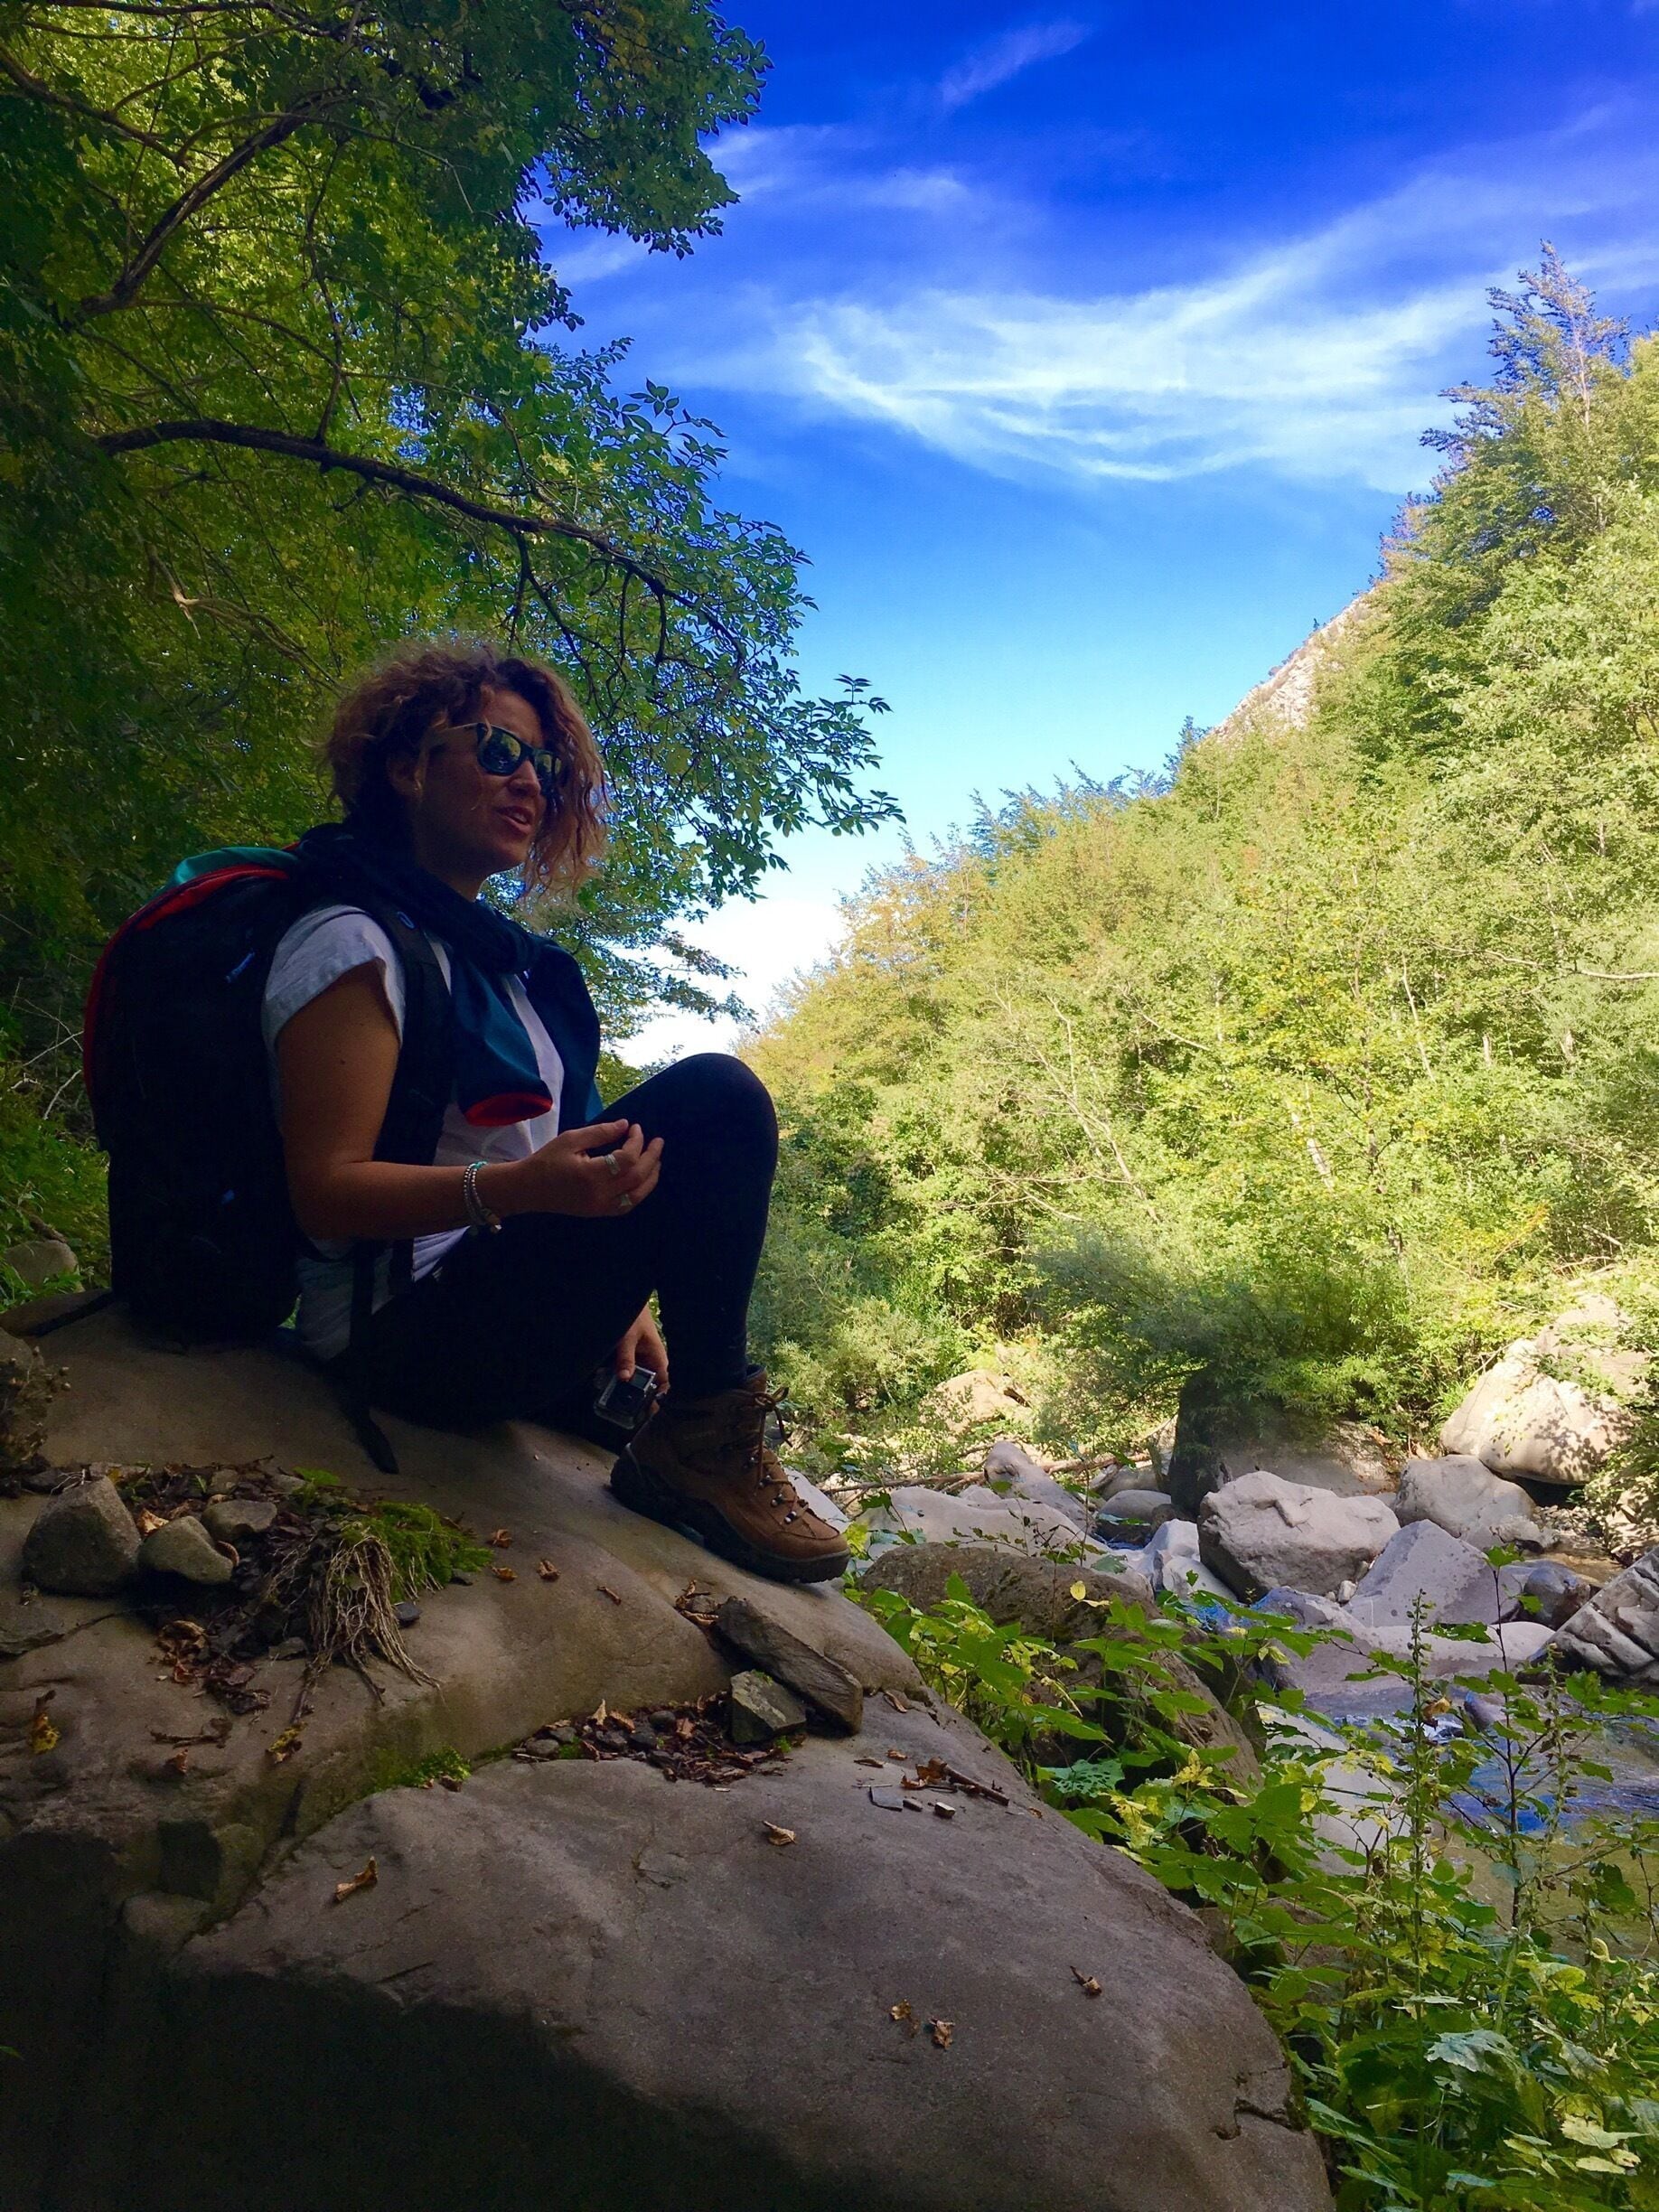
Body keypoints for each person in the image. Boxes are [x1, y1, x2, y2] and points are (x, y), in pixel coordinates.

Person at [264, 639, 849, 1584]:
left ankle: (685, 1423)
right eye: (498, 750)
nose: (529, 782)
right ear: (408, 767)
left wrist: (624, 1301)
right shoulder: (351, 942)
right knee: (718, 1097)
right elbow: (325, 1191)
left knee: (684, 1132)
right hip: (397, 1332)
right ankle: (703, 1444)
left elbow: (557, 1160)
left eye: (544, 764)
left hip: (491, 1291)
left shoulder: (517, 973)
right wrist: (519, 1191)